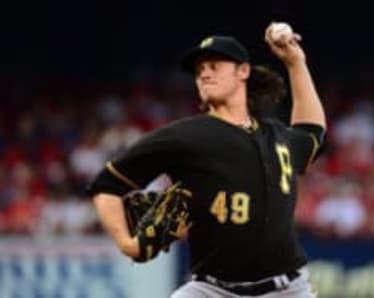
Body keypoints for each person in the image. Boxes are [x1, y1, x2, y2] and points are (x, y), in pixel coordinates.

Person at [87, 22, 327, 297]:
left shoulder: (275, 134)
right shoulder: (184, 136)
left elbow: (312, 134)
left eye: (214, 66)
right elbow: (106, 185)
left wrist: (296, 63)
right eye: (200, 70)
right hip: (211, 290)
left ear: (243, 71)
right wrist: (127, 244)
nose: (204, 74)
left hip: (286, 290)